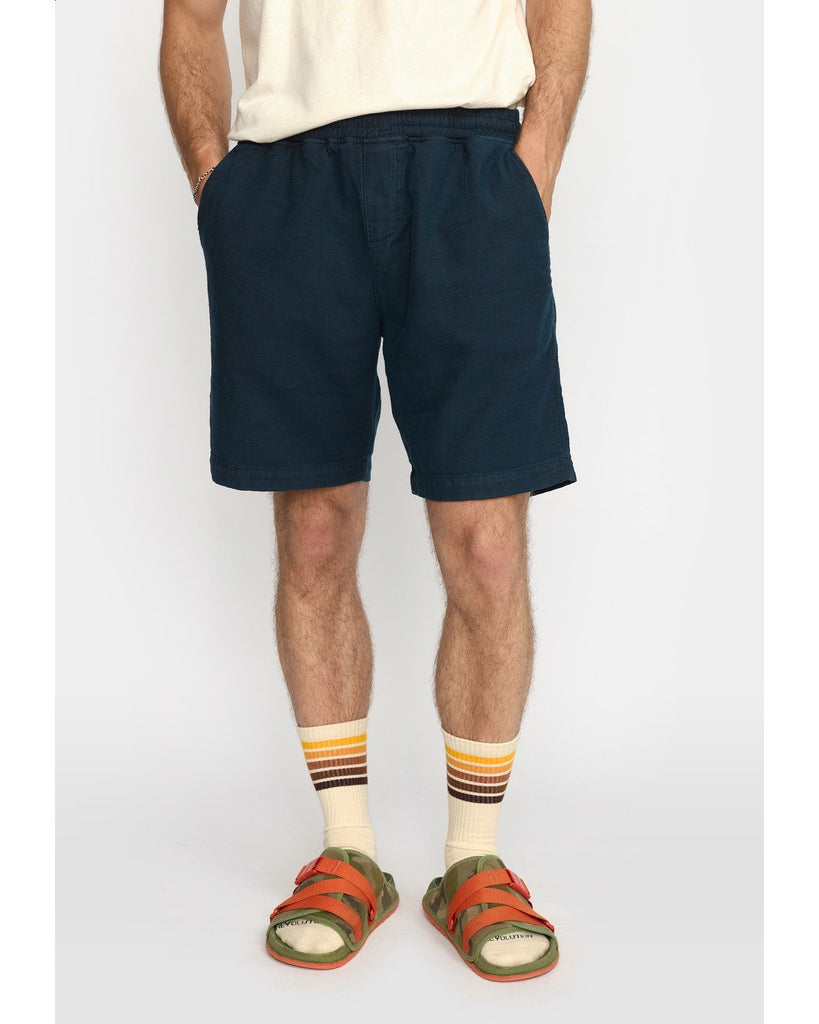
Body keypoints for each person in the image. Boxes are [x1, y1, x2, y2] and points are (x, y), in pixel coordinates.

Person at [159, 0, 591, 982]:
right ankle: (347, 849)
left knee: (486, 542)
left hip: (472, 165)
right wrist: (217, 188)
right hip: (289, 174)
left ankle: (473, 860)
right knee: (314, 530)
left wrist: (535, 165)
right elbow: (191, 16)